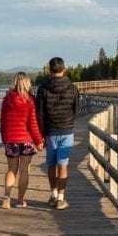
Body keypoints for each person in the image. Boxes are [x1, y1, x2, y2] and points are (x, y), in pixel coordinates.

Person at [35, 56, 79, 209]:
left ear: (49, 70)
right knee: (63, 165)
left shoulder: (43, 88)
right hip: (67, 130)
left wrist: (40, 135)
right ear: (64, 69)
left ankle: (53, 195)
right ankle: (61, 198)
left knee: (51, 164)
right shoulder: (72, 87)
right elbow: (76, 109)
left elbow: (39, 113)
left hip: (50, 131)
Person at [0, 71, 43, 208]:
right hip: (26, 140)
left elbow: (3, 121)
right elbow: (33, 123)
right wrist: (39, 140)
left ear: (15, 82)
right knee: (24, 171)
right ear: (27, 83)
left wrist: (4, 138)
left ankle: (7, 196)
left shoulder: (8, 99)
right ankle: (20, 200)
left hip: (11, 139)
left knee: (11, 169)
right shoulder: (30, 101)